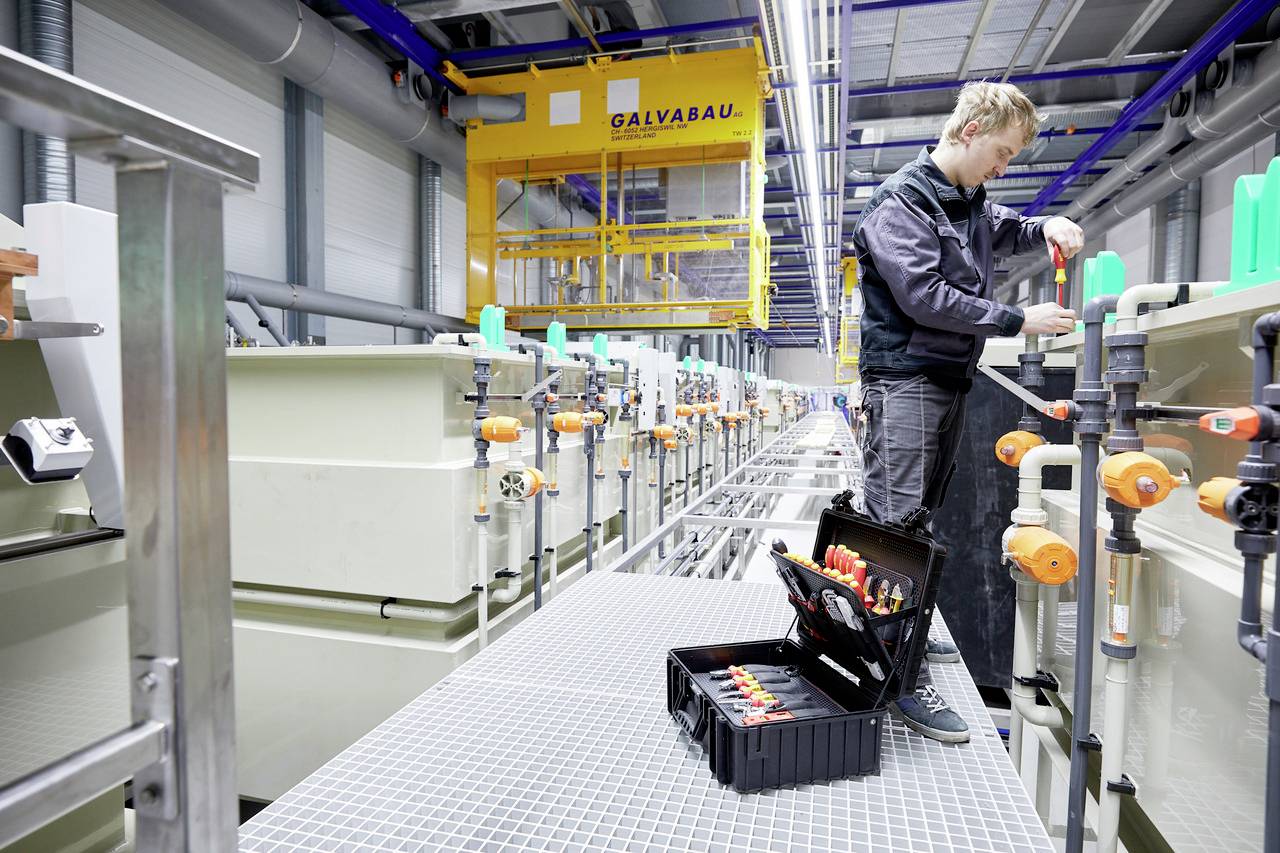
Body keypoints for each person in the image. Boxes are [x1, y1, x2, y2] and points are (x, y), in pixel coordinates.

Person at [852, 81, 1082, 743]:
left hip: (947, 380)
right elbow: (924, 296)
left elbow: (1004, 226)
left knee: (920, 518)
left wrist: (1046, 225)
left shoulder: (968, 200)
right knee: (894, 527)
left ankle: (904, 631)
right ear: (971, 130)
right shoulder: (900, 203)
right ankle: (895, 677)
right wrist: (1017, 319)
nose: (1003, 167)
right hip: (906, 381)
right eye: (1002, 152)